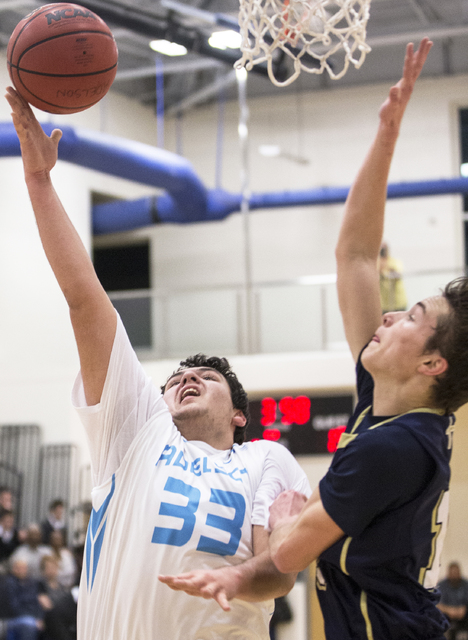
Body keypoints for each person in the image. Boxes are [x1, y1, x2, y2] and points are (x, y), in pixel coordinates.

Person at [5, 87, 311, 640]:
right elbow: (85, 299)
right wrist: (39, 183)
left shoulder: (265, 460)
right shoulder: (138, 433)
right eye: (176, 378)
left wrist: (239, 579)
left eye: (207, 378)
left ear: (240, 416)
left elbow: (279, 575)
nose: (187, 379)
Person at [267, 38, 468, 640]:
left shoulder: (399, 443)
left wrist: (284, 521)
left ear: (432, 362)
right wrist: (387, 134)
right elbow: (355, 256)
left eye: (409, 317)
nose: (385, 319)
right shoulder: (385, 408)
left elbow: (289, 549)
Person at [4, 558, 46, 640]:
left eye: (24, 568)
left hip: (33, 617)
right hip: (14, 618)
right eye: (19, 568)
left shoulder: (32, 583)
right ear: (13, 569)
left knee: (50, 622)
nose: (22, 570)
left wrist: (40, 618)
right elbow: (14, 607)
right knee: (29, 624)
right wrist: (34, 619)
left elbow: (37, 603)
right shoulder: (9, 583)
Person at [438, 562, 468, 639]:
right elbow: (438, 604)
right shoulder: (441, 585)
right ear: (448, 573)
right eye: (452, 573)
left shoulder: (465, 584)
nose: (454, 575)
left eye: (456, 572)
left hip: (463, 615)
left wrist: (461, 610)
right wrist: (450, 610)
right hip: (447, 615)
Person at [379, 241, 408, 313]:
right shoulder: (376, 263)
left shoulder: (395, 261)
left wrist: (389, 269)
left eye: (384, 248)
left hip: (398, 303)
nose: (382, 251)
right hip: (383, 305)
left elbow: (398, 274)